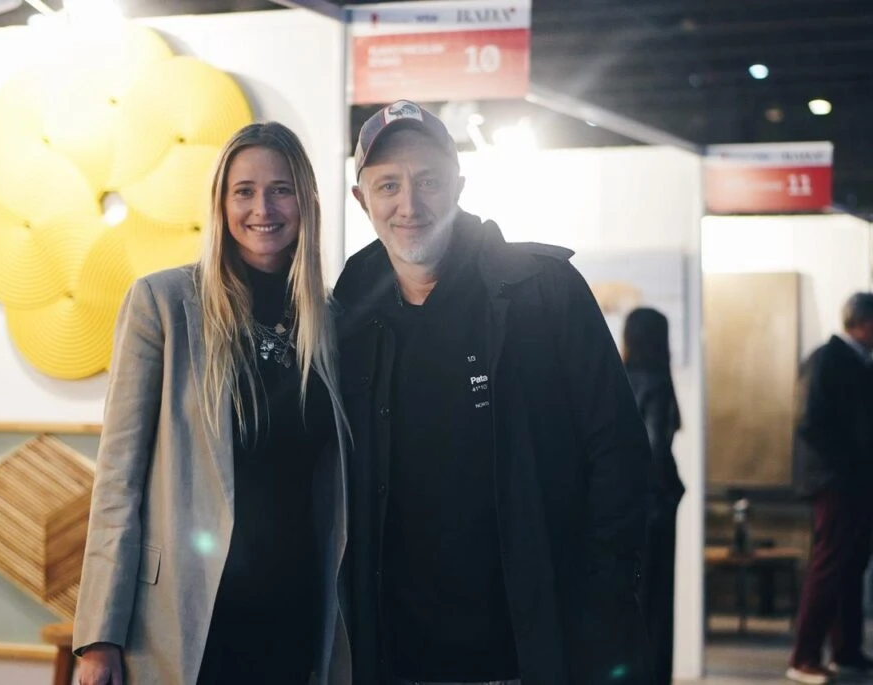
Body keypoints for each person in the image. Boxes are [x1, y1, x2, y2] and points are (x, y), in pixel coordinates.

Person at [334, 100, 653, 685]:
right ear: (362, 199)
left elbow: (619, 454)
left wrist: (600, 596)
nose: (410, 205)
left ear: (459, 185)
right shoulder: (347, 317)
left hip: (529, 654)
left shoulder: (544, 293)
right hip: (395, 658)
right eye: (389, 185)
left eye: (429, 181)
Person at [72, 122, 352, 685]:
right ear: (221, 204)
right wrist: (99, 637)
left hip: (295, 609)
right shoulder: (163, 304)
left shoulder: (330, 320)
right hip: (186, 615)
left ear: (306, 201)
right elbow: (118, 479)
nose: (262, 208)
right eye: (244, 191)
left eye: (281, 189)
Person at [787, 292, 873, 685]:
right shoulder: (827, 359)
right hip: (835, 481)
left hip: (855, 481)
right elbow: (810, 421)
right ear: (864, 323)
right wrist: (846, 463)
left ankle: (846, 650)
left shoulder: (859, 362)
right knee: (830, 563)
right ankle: (804, 656)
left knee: (852, 564)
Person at [622, 307, 685, 685]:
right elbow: (656, 447)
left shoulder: (617, 377)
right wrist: (670, 491)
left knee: (629, 598)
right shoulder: (657, 381)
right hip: (654, 506)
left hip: (624, 504)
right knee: (656, 601)